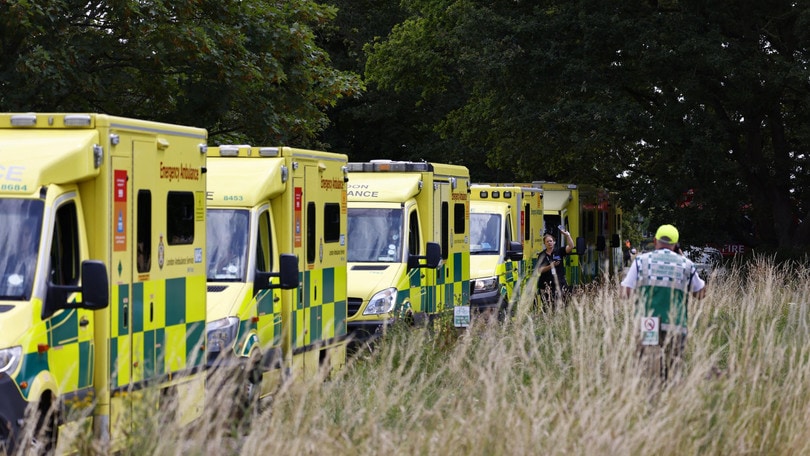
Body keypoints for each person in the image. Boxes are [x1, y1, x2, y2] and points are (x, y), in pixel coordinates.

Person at [621, 224, 706, 383]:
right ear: (675, 244)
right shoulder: (686, 264)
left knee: (651, 370)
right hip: (676, 324)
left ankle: (652, 401)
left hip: (649, 323)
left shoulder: (641, 260)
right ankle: (671, 401)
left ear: (655, 241)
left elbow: (625, 292)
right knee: (673, 371)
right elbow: (700, 293)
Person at [536, 229, 574, 310]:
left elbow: (571, 246)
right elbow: (539, 270)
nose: (549, 243)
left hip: (560, 284)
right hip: (546, 285)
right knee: (548, 307)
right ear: (544, 244)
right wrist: (550, 266)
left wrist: (567, 235)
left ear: (554, 242)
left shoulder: (559, 251)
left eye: (551, 241)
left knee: (562, 306)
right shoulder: (542, 255)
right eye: (547, 241)